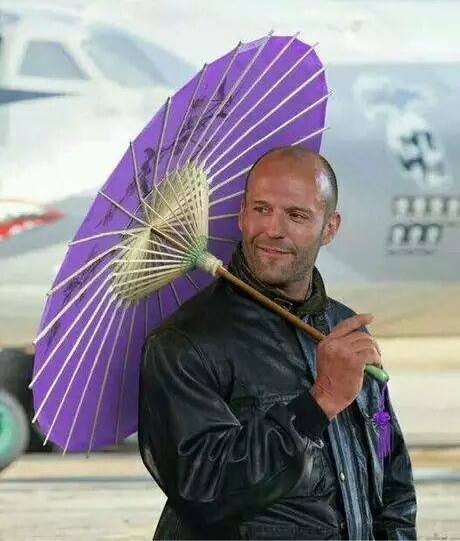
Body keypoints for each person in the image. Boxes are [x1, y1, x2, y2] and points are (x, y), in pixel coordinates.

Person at [138, 145, 417, 540]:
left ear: (330, 228)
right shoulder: (185, 344)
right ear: (241, 214)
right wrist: (319, 402)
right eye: (261, 209)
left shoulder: (346, 332)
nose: (273, 229)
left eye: (296, 215)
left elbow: (389, 460)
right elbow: (202, 490)